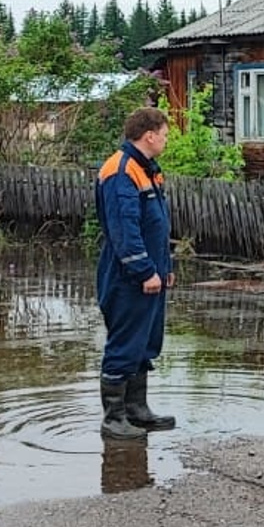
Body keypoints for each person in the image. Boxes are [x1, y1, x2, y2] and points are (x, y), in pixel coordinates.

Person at [95, 106, 176, 439]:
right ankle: (114, 419)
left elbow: (156, 224)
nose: (167, 141)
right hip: (127, 275)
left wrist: (165, 267)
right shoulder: (121, 170)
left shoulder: (148, 169)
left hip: (151, 272)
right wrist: (144, 271)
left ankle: (136, 410)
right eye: (166, 135)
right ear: (150, 135)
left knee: (145, 341)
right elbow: (124, 230)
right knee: (125, 342)